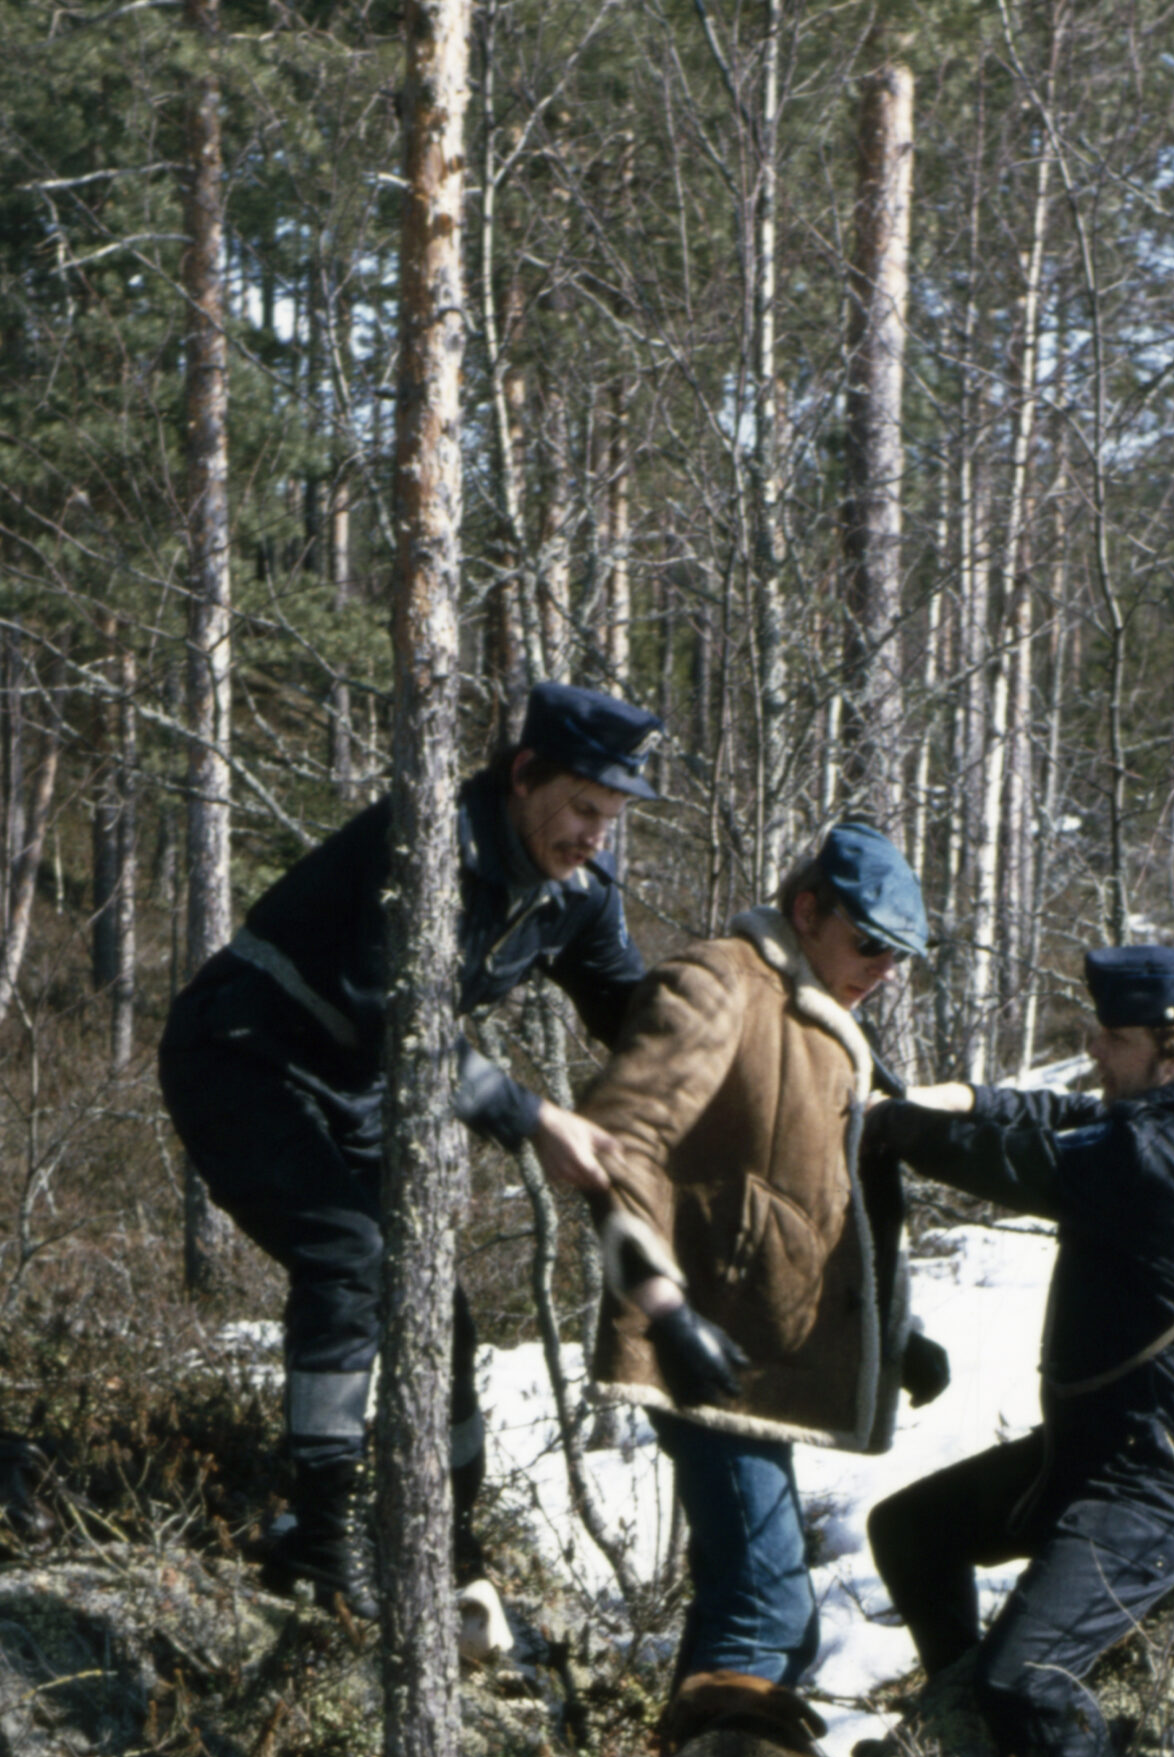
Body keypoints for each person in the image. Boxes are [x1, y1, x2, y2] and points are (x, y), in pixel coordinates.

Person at [159, 681, 662, 1619]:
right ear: (522, 776)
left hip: (358, 1086)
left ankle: (450, 1542)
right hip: (240, 1054)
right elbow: (402, 1022)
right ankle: (320, 1540)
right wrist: (532, 1117)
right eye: (585, 807)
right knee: (346, 1257)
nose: (597, 835)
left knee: (440, 1307)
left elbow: (634, 1013)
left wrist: (741, 1047)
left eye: (615, 815)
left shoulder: (574, 893)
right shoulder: (423, 844)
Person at [863, 944, 1174, 1757]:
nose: (1093, 1051)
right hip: (1094, 1456)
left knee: (1026, 1675)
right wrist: (966, 1095)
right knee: (909, 1533)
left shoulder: (1165, 1157)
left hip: (1161, 1484)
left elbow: (1022, 1162)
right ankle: (973, 1741)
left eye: (1107, 1037)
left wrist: (898, 1127)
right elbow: (1064, 1116)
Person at [579, 819, 949, 1690]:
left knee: (740, 1604)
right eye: (868, 944)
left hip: (755, 1360)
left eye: (898, 956)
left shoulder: (820, 1010)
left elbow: (837, 1205)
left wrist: (902, 1331)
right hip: (705, 1345)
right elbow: (617, 1141)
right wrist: (663, 1310)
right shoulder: (722, 983)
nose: (881, 971)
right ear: (807, 908)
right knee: (771, 1617)